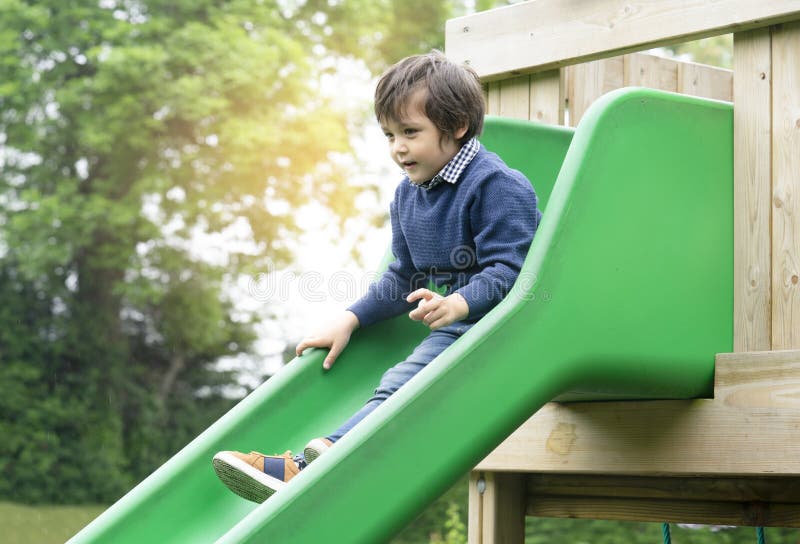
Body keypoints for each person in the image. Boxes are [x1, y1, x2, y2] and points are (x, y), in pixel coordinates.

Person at [212, 50, 541, 503]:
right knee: (405, 372)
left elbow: (512, 270)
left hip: (510, 328)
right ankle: (311, 462)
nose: (397, 148)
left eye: (410, 132)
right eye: (389, 135)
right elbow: (403, 276)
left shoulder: (498, 186)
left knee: (406, 378)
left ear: (458, 126)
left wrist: (458, 303)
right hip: (463, 322)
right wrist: (352, 318)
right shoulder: (409, 195)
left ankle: (311, 462)